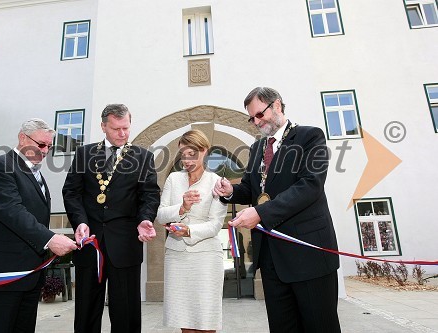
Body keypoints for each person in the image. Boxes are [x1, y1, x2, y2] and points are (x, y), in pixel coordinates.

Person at [213, 87, 341, 332]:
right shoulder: (257, 148)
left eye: (260, 114)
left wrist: (261, 213)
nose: (256, 122)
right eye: (252, 118)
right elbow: (253, 189)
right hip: (271, 260)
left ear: (277, 106)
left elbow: (310, 186)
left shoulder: (310, 136)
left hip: (308, 255)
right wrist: (230, 190)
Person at [0, 118, 78, 333]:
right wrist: (50, 239)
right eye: (41, 145)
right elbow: (12, 211)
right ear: (22, 138)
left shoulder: (38, 176)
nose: (45, 151)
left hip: (28, 276)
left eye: (49, 146)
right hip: (0, 274)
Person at [62, 104, 160, 333]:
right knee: (86, 309)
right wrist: (80, 221)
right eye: (116, 129)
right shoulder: (84, 154)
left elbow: (150, 195)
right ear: (103, 127)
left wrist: (145, 219)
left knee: (126, 310)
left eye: (126, 128)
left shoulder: (143, 157)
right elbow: (71, 192)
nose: (123, 134)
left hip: (126, 244)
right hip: (90, 243)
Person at [156, 129, 227, 333]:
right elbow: (161, 216)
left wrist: (188, 231)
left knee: (206, 320)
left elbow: (215, 225)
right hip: (176, 257)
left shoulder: (216, 182)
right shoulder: (173, 180)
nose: (186, 160)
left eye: (192, 154)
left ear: (204, 151)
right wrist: (182, 207)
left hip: (206, 258)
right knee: (184, 319)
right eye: (183, 155)